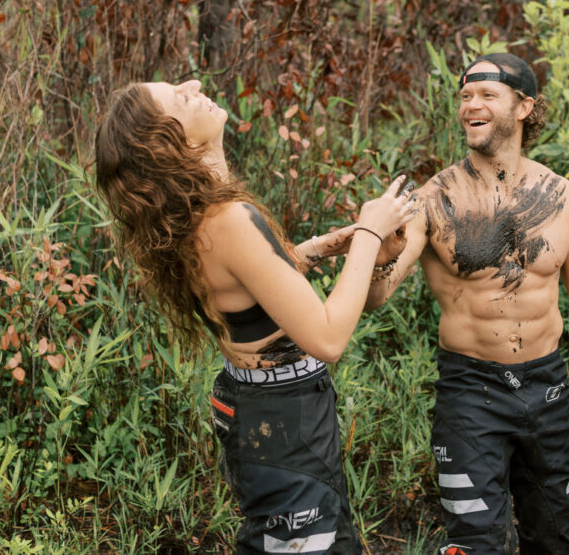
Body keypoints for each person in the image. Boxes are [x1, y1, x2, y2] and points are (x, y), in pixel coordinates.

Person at [94, 79, 415, 554]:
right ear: (171, 142)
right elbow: (326, 338)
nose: (195, 84)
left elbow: (240, 290)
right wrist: (371, 230)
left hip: (259, 408)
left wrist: (308, 253)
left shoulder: (192, 215)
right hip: (283, 422)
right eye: (180, 96)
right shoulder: (225, 219)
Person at [364, 53, 569, 555]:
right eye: (465, 96)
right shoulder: (433, 200)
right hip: (471, 393)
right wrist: (379, 258)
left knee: (554, 538)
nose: (471, 104)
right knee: (476, 543)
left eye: (486, 95)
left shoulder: (561, 196)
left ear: (523, 107)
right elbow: (376, 299)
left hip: (548, 388)